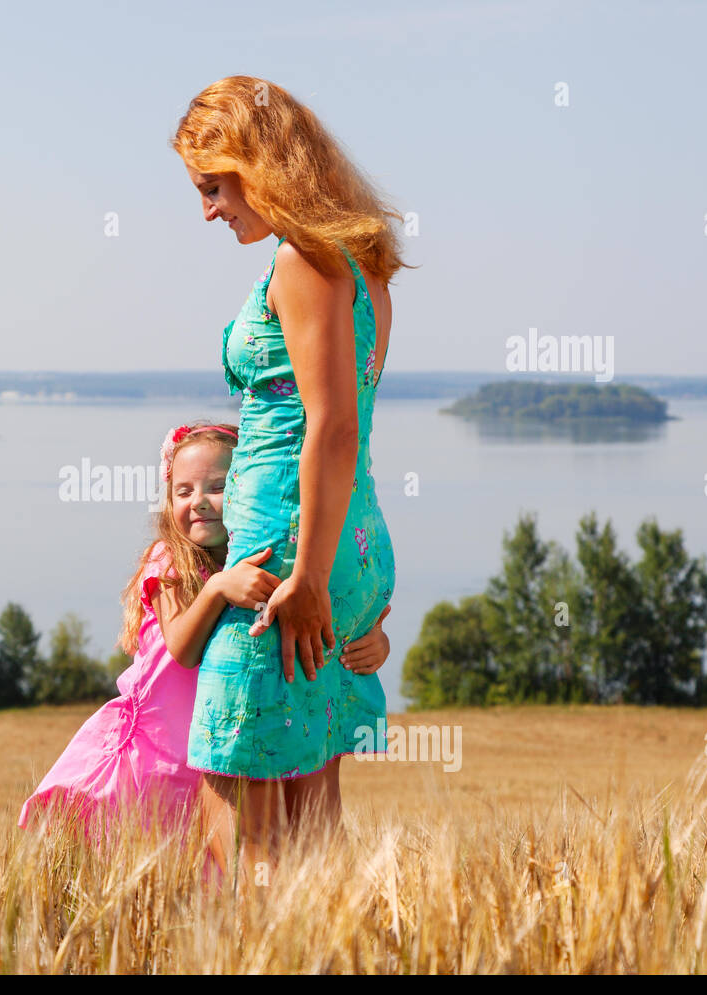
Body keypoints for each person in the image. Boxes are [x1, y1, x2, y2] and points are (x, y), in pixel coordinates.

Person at [172, 75, 412, 882]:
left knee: (236, 832)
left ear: (257, 163)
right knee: (313, 831)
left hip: (286, 562)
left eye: (214, 187)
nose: (209, 211)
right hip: (346, 543)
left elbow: (332, 426)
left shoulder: (301, 262)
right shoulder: (365, 264)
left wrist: (305, 574)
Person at [18, 421, 392, 860]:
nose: (198, 502)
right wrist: (217, 589)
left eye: (216, 486)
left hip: (213, 747)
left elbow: (317, 621)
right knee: (138, 858)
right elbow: (181, 648)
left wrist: (377, 642)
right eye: (183, 490)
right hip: (154, 751)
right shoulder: (169, 561)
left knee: (205, 863)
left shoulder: (259, 560)